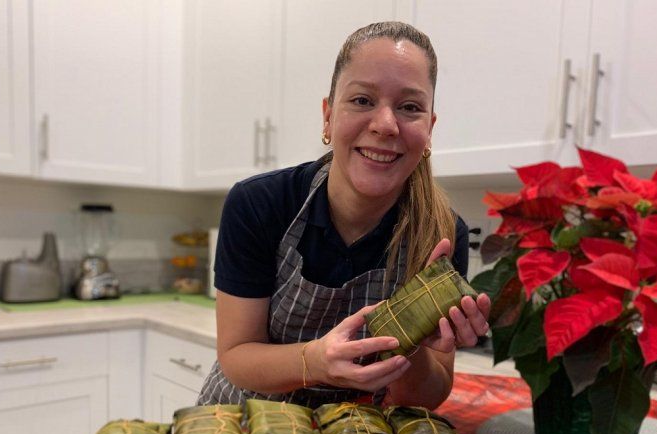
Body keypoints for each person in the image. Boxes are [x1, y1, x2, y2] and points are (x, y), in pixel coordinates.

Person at [198, 21, 490, 410]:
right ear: (327, 117)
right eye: (362, 100)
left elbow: (426, 398)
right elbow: (236, 356)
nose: (385, 125)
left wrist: (412, 341)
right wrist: (316, 362)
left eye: (409, 107)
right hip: (244, 424)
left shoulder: (441, 233)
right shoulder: (259, 203)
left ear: (429, 130)